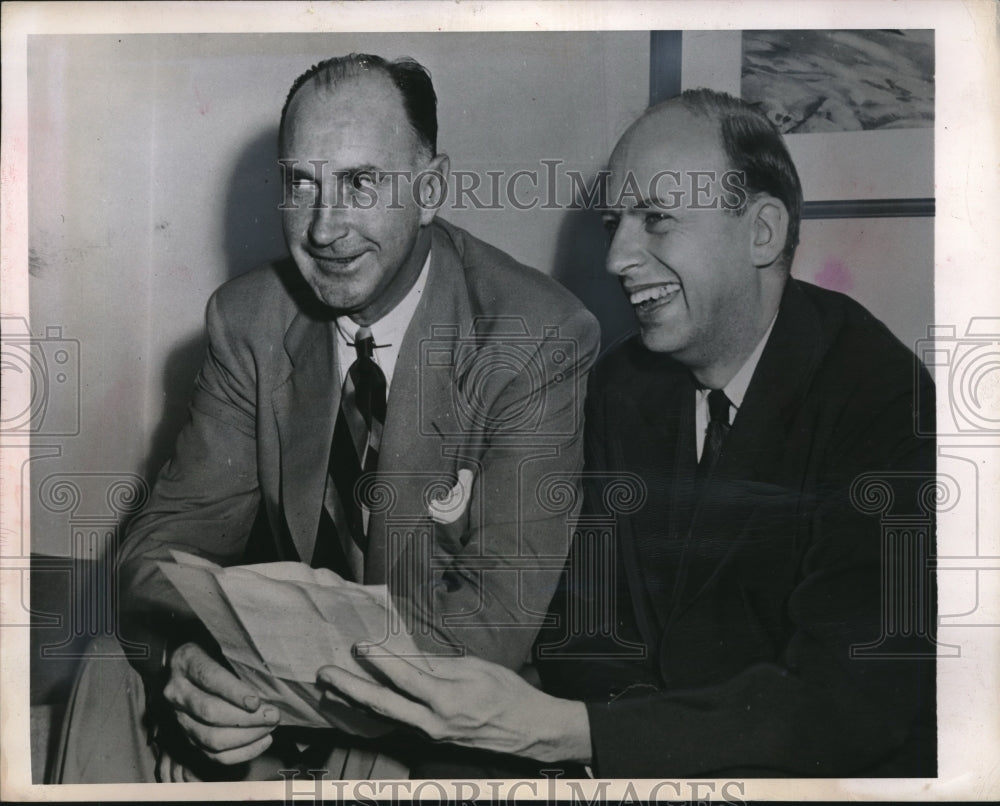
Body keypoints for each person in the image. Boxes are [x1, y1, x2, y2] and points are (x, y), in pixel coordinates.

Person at [316, 89, 937, 778]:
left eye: (656, 219)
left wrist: (571, 733)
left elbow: (848, 705)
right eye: (615, 221)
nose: (615, 258)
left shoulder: (885, 403)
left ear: (762, 232)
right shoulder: (621, 386)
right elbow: (586, 638)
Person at [53, 53, 599, 782]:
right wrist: (194, 664)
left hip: (453, 709)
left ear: (430, 189)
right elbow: (160, 547)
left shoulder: (534, 335)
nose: (323, 227)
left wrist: (275, 687)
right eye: (301, 184)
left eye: (360, 183)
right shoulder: (249, 320)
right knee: (110, 662)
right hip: (289, 677)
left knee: (366, 758)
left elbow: (490, 626)